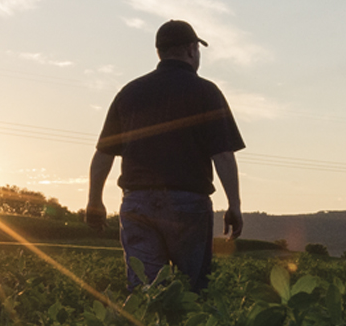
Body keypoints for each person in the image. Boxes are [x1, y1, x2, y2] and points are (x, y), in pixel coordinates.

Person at [86, 19, 245, 293]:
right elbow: (223, 156)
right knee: (192, 293)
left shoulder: (130, 93)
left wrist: (94, 202)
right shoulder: (206, 92)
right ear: (191, 49)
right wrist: (234, 205)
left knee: (144, 294)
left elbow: (103, 154)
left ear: (159, 52)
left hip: (138, 204)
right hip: (188, 205)